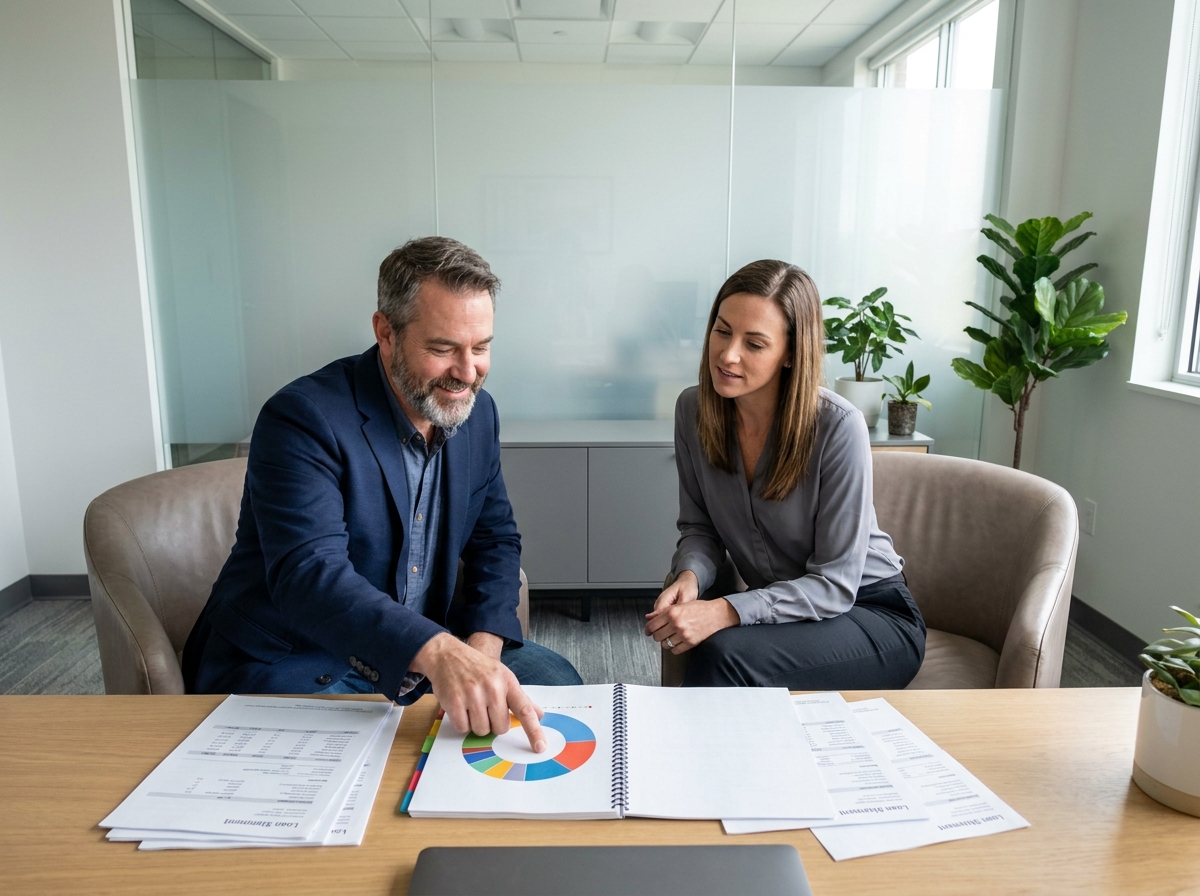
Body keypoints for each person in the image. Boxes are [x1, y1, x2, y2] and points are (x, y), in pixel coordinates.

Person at [183, 236, 581, 751]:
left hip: (422, 655)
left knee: (561, 688)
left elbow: (495, 540)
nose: (467, 372)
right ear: (385, 332)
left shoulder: (477, 414)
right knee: (350, 779)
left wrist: (481, 648)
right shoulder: (303, 418)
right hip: (301, 656)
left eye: (480, 347)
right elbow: (310, 575)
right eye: (443, 349)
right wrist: (437, 651)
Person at [644, 259, 926, 689]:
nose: (728, 354)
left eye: (754, 344)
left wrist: (727, 610)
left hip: (869, 613)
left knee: (726, 655)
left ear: (791, 353)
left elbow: (834, 586)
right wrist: (690, 576)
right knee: (716, 648)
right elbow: (699, 529)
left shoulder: (837, 426)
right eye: (722, 331)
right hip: (789, 613)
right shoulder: (692, 410)